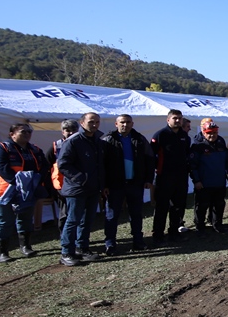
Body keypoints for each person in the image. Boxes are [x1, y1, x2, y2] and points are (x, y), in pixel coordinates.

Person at [0, 122, 50, 262]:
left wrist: (36, 180)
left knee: (26, 218)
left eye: (29, 131)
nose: (27, 134)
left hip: (28, 191)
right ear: (12, 134)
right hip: (3, 192)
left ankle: (26, 246)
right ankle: (2, 252)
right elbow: (2, 169)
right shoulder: (1, 148)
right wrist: (21, 183)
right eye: (23, 132)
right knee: (5, 220)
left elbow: (45, 165)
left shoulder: (34, 149)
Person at [57, 112, 106, 265]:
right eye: (91, 121)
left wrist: (101, 184)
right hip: (77, 189)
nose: (95, 124)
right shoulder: (74, 141)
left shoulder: (97, 140)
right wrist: (80, 178)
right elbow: (63, 164)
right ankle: (66, 252)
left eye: (97, 122)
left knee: (87, 220)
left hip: (93, 188)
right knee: (73, 220)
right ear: (82, 123)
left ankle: (82, 248)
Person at [101, 114, 154, 255]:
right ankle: (110, 244)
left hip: (135, 183)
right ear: (116, 124)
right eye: (122, 122)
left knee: (136, 214)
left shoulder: (140, 139)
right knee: (112, 215)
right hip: (114, 185)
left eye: (128, 122)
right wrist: (104, 184)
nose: (125, 125)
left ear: (132, 123)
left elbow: (150, 159)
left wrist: (149, 178)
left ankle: (138, 241)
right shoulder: (107, 140)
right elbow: (101, 164)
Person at [151, 109, 192, 243]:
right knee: (162, 206)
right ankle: (158, 233)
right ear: (168, 120)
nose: (177, 120)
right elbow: (152, 155)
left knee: (178, 206)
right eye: (175, 118)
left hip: (181, 177)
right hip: (164, 177)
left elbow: (186, 154)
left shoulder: (184, 136)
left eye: (179, 118)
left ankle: (174, 231)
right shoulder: (160, 135)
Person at [189, 121, 228, 233]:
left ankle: (217, 225)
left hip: (219, 182)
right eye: (209, 133)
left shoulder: (221, 143)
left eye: (214, 132)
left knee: (219, 205)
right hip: (204, 183)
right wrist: (197, 181)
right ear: (203, 133)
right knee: (202, 206)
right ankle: (200, 228)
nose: (212, 135)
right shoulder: (198, 146)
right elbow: (192, 166)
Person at [47, 119, 79, 232]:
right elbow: (47, 165)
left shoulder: (82, 144)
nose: (70, 133)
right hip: (61, 185)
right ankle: (64, 236)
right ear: (62, 131)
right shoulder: (56, 146)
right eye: (67, 130)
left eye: (73, 130)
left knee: (77, 212)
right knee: (64, 212)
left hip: (78, 183)